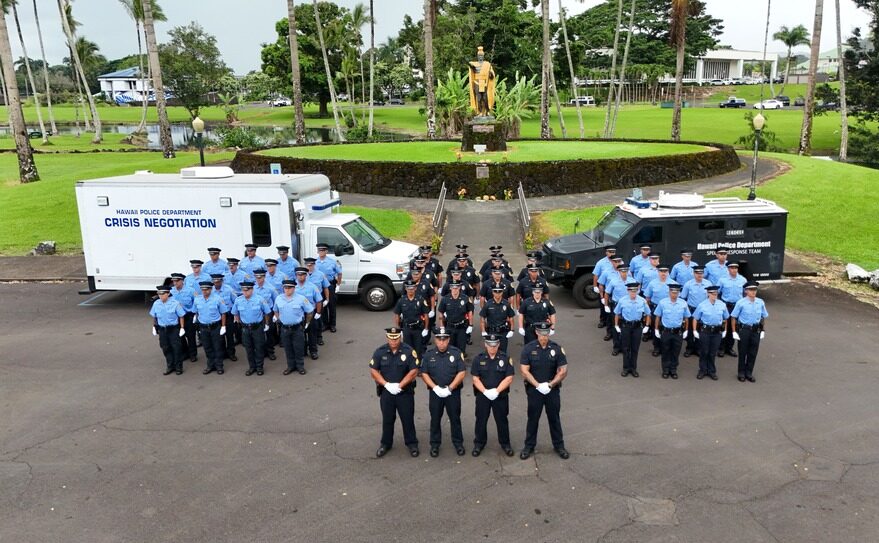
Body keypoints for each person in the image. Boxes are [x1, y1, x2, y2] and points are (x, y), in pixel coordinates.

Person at [519, 323, 569, 460]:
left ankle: (559, 446)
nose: (544, 337)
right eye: (541, 334)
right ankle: (529, 446)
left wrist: (550, 384)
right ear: (536, 333)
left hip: (552, 390)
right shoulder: (528, 349)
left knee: (554, 418)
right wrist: (538, 385)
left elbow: (563, 370)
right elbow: (524, 371)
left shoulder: (556, 348)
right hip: (535, 390)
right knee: (533, 419)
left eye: (546, 334)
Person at [369, 327, 420, 458]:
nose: (393, 341)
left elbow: (413, 371)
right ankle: (385, 443)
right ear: (387, 338)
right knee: (387, 419)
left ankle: (412, 443)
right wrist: (386, 384)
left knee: (407, 419)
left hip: (404, 392)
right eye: (391, 338)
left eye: (396, 338)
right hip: (387, 393)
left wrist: (400, 385)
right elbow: (373, 371)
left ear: (400, 337)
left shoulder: (408, 351)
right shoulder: (380, 352)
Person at [420, 327, 467, 457]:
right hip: (435, 393)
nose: (442, 343)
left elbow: (462, 372)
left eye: (444, 340)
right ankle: (435, 445)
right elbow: (424, 373)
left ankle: (458, 443)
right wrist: (435, 388)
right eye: (439, 340)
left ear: (448, 340)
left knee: (455, 418)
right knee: (435, 419)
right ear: (435, 340)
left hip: (452, 392)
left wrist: (450, 388)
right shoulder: (429, 355)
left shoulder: (456, 353)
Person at [470, 334, 515, 457]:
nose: (492, 347)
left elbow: (509, 377)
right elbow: (475, 378)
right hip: (483, 396)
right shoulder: (478, 359)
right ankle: (479, 444)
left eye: (495, 345)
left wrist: (496, 391)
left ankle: (505, 444)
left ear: (499, 345)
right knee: (481, 420)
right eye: (490, 345)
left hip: (500, 396)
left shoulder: (505, 358)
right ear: (485, 344)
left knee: (502, 421)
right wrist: (485, 391)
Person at [231, 280, 272, 376]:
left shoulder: (259, 299)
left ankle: (259, 367)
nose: (245, 292)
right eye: (243, 290)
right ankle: (252, 367)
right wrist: (239, 322)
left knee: (259, 348)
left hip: (257, 327)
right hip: (245, 328)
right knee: (248, 349)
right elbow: (235, 313)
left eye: (247, 290)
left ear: (252, 289)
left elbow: (267, 312)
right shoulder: (238, 300)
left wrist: (266, 324)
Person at [730, 282, 769, 383]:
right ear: (746, 291)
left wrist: (763, 330)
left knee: (753, 352)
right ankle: (741, 372)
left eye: (755, 290)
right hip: (744, 330)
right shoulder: (741, 302)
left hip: (756, 330)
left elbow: (763, 317)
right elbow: (734, 317)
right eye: (751, 290)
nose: (753, 292)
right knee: (743, 352)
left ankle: (749, 373)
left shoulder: (760, 302)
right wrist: (734, 331)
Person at [274, 279, 314, 375]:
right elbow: (275, 310)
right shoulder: (278, 298)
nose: (287, 290)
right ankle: (290, 366)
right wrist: (279, 319)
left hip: (297, 328)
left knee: (298, 347)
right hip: (284, 328)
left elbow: (310, 311)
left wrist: (307, 323)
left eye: (290, 288)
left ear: (294, 288)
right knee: (288, 348)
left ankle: (300, 366)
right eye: (285, 288)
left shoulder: (301, 298)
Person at [653, 283, 691, 379]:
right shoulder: (662, 303)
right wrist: (656, 329)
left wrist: (686, 330)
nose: (674, 294)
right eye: (673, 292)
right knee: (665, 351)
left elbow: (686, 318)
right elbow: (658, 317)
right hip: (666, 331)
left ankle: (673, 370)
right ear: (669, 292)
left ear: (679, 293)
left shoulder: (683, 303)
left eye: (676, 292)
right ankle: (665, 370)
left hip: (678, 332)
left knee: (675, 352)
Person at [614, 282, 651, 378]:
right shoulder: (622, 301)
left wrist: (647, 325)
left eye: (635, 291)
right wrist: (616, 325)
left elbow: (648, 313)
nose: (633, 293)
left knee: (635, 348)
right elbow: (617, 313)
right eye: (631, 291)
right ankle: (626, 368)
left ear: (637, 291)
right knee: (626, 348)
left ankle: (633, 368)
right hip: (626, 326)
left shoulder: (642, 301)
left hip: (637, 327)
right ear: (628, 291)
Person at [692, 285, 729, 381]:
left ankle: (712, 371)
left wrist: (725, 330)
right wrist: (695, 330)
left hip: (717, 332)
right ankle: (703, 370)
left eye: (716, 293)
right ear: (708, 294)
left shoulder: (722, 304)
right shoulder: (702, 305)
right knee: (704, 351)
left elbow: (726, 318)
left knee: (713, 352)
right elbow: (695, 318)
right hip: (705, 331)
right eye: (712, 293)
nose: (714, 295)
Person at [150, 284, 186, 375]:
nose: (161, 296)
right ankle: (170, 366)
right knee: (165, 348)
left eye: (163, 294)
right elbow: (154, 316)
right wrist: (154, 326)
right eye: (159, 294)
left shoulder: (175, 303)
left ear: (168, 293)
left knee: (176, 348)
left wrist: (182, 328)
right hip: (162, 329)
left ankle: (178, 367)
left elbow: (181, 316)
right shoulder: (156, 303)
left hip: (173, 329)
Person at [193, 280, 228, 375]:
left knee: (217, 347)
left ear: (211, 289)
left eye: (207, 289)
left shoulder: (218, 299)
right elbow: (196, 311)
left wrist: (223, 326)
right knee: (207, 347)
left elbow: (223, 313)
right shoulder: (197, 299)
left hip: (215, 326)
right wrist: (196, 321)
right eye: (203, 289)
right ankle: (210, 365)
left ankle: (219, 366)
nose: (204, 291)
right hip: (203, 327)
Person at [643, 265, 675, 357]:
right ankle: (656, 347)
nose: (663, 273)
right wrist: (647, 311)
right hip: (655, 308)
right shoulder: (652, 283)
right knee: (655, 328)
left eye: (665, 271)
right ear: (658, 272)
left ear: (668, 272)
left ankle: (667, 348)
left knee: (666, 329)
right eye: (661, 271)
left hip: (668, 309)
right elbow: (647, 298)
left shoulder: (673, 284)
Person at [680, 266, 712, 358]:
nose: (699, 275)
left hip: (703, 310)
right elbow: (683, 297)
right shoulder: (688, 284)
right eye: (697, 273)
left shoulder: (708, 284)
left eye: (701, 273)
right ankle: (689, 348)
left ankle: (698, 348)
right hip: (691, 309)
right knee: (690, 329)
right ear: (694, 274)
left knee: (701, 329)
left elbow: (711, 298)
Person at [394, 280, 430, 358]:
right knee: (407, 349)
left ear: (415, 288)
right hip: (407, 328)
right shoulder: (401, 300)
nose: (410, 290)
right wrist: (398, 330)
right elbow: (397, 315)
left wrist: (426, 328)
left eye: (412, 288)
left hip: (418, 328)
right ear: (406, 289)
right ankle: (409, 366)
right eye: (408, 288)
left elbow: (426, 314)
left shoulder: (420, 299)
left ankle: (419, 365)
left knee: (418, 349)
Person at [718, 261, 747, 357]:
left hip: (737, 307)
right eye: (732, 268)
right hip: (726, 306)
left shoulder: (742, 280)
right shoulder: (722, 280)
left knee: (734, 328)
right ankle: (721, 348)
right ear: (728, 269)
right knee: (724, 326)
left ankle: (729, 348)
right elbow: (717, 292)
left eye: (735, 268)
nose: (734, 270)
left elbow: (745, 293)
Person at [293, 267, 323, 360]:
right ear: (296, 275)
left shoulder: (312, 286)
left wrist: (318, 312)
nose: (300, 276)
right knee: (300, 334)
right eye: (298, 274)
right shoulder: (293, 287)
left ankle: (313, 351)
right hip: (298, 314)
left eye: (302, 274)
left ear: (306, 275)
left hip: (310, 313)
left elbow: (318, 301)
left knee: (312, 333)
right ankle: (303, 350)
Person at [436, 281, 474, 355]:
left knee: (461, 349)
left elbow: (470, 312)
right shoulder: (445, 299)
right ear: (450, 288)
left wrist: (470, 325)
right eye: (453, 288)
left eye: (456, 288)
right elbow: (441, 313)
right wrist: (441, 326)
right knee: (450, 349)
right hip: (450, 327)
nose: (455, 290)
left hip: (461, 328)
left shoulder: (465, 298)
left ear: (459, 288)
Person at [603, 264, 632, 356]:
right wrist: (606, 305)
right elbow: (607, 293)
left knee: (626, 328)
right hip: (616, 307)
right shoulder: (614, 281)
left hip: (628, 307)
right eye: (622, 271)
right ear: (619, 272)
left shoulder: (632, 281)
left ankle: (625, 347)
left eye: (625, 271)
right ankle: (616, 347)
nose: (624, 273)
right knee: (616, 327)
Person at [169, 272, 198, 363]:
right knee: (180, 337)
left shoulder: (191, 290)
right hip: (177, 317)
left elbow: (196, 302)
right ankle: (185, 353)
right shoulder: (171, 291)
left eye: (177, 281)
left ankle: (193, 354)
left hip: (188, 315)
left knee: (190, 336)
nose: (175, 283)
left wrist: (194, 313)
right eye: (173, 281)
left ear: (182, 281)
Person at [315, 243, 342, 333]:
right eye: (319, 250)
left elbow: (339, 273)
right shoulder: (315, 262)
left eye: (323, 250)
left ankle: (332, 325)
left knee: (331, 305)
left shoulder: (332, 262)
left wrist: (338, 285)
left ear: (326, 251)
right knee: (322, 305)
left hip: (330, 285)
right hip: (320, 286)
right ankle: (325, 324)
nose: (321, 252)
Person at [479, 286, 516, 353]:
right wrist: (483, 331)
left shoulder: (506, 303)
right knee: (491, 351)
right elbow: (482, 318)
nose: (497, 294)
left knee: (503, 351)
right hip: (492, 331)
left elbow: (511, 317)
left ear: (502, 293)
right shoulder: (488, 304)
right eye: (495, 292)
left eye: (499, 292)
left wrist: (512, 330)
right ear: (493, 293)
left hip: (503, 331)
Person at [252, 269, 279, 361]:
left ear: (264, 277)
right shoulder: (253, 288)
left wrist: (276, 314)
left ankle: (270, 351)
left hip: (268, 313)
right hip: (257, 313)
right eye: (257, 277)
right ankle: (261, 351)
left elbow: (277, 301)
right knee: (259, 334)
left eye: (260, 277)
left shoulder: (270, 288)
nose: (258, 279)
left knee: (269, 332)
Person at [304, 257, 331, 348]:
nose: (309, 267)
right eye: (307, 265)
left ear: (314, 265)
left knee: (318, 320)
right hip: (305, 302)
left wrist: (327, 299)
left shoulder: (320, 274)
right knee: (305, 322)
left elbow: (326, 287)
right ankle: (305, 341)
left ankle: (319, 337)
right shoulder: (302, 275)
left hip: (318, 300)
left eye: (311, 265)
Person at [211, 274, 237, 362]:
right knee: (219, 336)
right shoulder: (211, 291)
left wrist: (234, 314)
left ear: (222, 281)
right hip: (217, 317)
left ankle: (231, 353)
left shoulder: (228, 289)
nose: (216, 284)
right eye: (214, 282)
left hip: (228, 315)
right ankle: (222, 353)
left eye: (218, 282)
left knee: (229, 335)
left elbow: (235, 301)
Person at [592, 246, 617, 329]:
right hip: (604, 287)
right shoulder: (601, 262)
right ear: (606, 252)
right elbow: (596, 275)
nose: (612, 253)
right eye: (610, 252)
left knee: (614, 306)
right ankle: (603, 320)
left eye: (613, 252)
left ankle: (613, 321)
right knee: (603, 305)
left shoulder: (618, 262)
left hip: (615, 288)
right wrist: (595, 286)